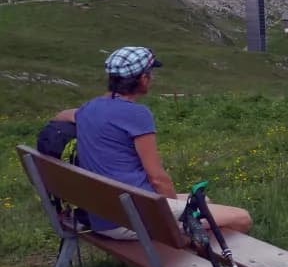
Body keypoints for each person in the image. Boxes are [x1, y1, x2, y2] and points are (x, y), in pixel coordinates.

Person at [53, 46, 253, 239]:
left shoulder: (89, 108)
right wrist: (176, 211)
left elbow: (61, 116)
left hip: (103, 213)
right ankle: (194, 257)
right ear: (143, 79)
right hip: (131, 218)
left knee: (205, 201)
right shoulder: (136, 114)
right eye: (150, 73)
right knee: (241, 218)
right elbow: (157, 178)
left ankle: (191, 239)